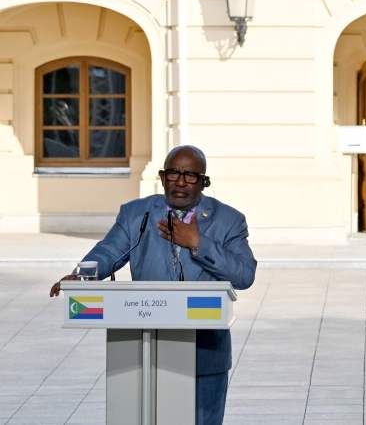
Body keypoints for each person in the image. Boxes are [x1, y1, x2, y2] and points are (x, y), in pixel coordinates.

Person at [50, 145, 257, 425]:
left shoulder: (229, 220)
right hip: (145, 349)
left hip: (204, 353)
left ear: (204, 181)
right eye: (173, 174)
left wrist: (197, 243)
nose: (181, 182)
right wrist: (82, 275)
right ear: (162, 176)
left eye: (190, 176)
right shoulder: (138, 214)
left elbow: (245, 275)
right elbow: (109, 252)